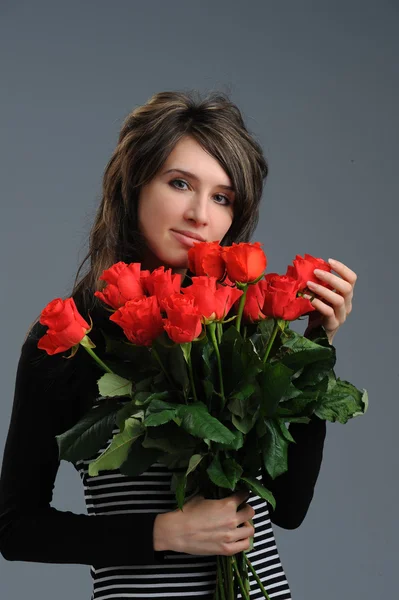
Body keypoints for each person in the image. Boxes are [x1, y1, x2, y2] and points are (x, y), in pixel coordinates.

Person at [0, 90, 357, 600]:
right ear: (133, 185)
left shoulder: (246, 327)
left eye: (222, 197)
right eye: (180, 183)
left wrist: (318, 344)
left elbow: (290, 508)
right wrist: (163, 533)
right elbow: (16, 529)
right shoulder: (72, 337)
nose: (200, 214)